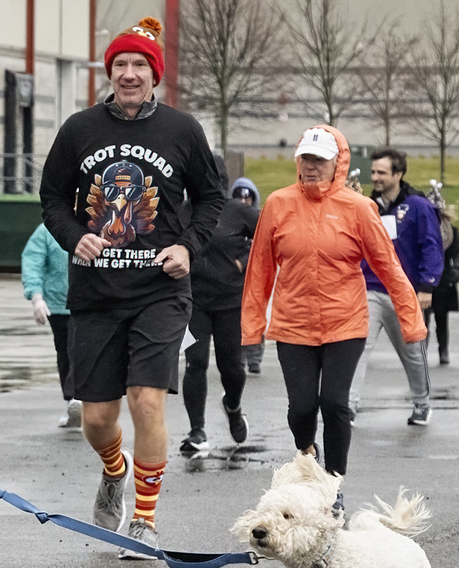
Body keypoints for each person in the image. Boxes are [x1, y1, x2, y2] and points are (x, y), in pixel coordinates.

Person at [39, 16, 225, 559]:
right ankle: (114, 471)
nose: (128, 74)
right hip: (96, 293)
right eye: (119, 65)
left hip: (161, 290)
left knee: (147, 401)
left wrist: (188, 246)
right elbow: (51, 197)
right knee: (97, 418)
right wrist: (75, 236)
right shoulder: (79, 129)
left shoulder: (182, 130)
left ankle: (143, 520)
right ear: (109, 72)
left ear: (154, 75)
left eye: (138, 66)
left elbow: (212, 198)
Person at [241, 126, 425, 484]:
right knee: (302, 408)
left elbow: (389, 267)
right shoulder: (279, 204)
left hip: (346, 322)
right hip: (294, 323)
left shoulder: (359, 208)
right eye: (306, 158)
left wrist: (411, 320)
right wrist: (251, 329)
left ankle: (334, 483)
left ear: (337, 162)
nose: (311, 167)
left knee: (337, 404)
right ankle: (307, 450)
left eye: (320, 160)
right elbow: (259, 269)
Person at [347, 148, 443, 426]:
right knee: (358, 348)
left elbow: (431, 247)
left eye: (381, 172)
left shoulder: (418, 206)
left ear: (398, 175)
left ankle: (422, 403)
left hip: (405, 292)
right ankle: (349, 406)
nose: (374, 177)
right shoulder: (365, 205)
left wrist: (427, 286)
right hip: (369, 289)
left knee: (413, 353)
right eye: (373, 172)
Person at [181, 158, 258, 454]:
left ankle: (233, 405)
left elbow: (267, 242)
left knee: (232, 368)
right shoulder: (182, 212)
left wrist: (245, 261)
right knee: (195, 363)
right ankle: (197, 431)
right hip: (193, 302)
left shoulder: (239, 212)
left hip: (230, 301)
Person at [21, 221, 79, 428]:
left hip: (91, 302)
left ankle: (78, 399)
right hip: (59, 304)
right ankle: (71, 402)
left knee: (79, 350)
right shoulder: (47, 231)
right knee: (65, 353)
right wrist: (36, 297)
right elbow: (33, 261)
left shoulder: (100, 223)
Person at [425, 182, 459, 366]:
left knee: (442, 320)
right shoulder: (420, 230)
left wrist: (455, 272)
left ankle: (443, 351)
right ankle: (420, 353)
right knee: (421, 321)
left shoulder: (450, 231)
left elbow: (458, 253)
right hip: (423, 279)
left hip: (444, 281)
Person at [231, 177, 266, 375]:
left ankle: (254, 357)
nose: (243, 202)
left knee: (255, 315)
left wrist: (243, 260)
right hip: (235, 278)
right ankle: (242, 356)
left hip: (254, 274)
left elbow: (260, 246)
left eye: (247, 198)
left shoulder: (256, 219)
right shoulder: (230, 220)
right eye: (239, 197)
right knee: (237, 318)